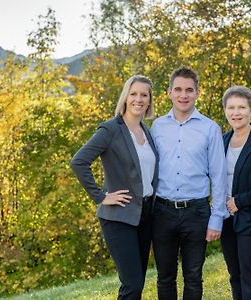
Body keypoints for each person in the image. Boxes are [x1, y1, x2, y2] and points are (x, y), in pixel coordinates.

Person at [70, 75, 159, 300]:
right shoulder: (111, 129)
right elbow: (79, 162)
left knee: (136, 283)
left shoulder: (146, 131)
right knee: (132, 285)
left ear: (149, 100)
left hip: (145, 215)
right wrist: (100, 196)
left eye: (144, 95)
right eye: (134, 93)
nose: (139, 99)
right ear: (126, 97)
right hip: (119, 217)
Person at [150, 66, 228, 300]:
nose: (183, 95)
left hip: (197, 212)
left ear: (197, 93)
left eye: (189, 90)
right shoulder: (157, 127)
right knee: (165, 276)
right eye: (178, 89)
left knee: (193, 276)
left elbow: (219, 175)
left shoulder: (210, 128)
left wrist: (217, 218)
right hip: (161, 211)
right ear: (169, 93)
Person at [220, 85, 251, 300]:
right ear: (225, 110)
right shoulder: (222, 140)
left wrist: (240, 201)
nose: (236, 113)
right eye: (231, 107)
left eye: (242, 107)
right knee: (234, 276)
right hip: (226, 219)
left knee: (249, 277)